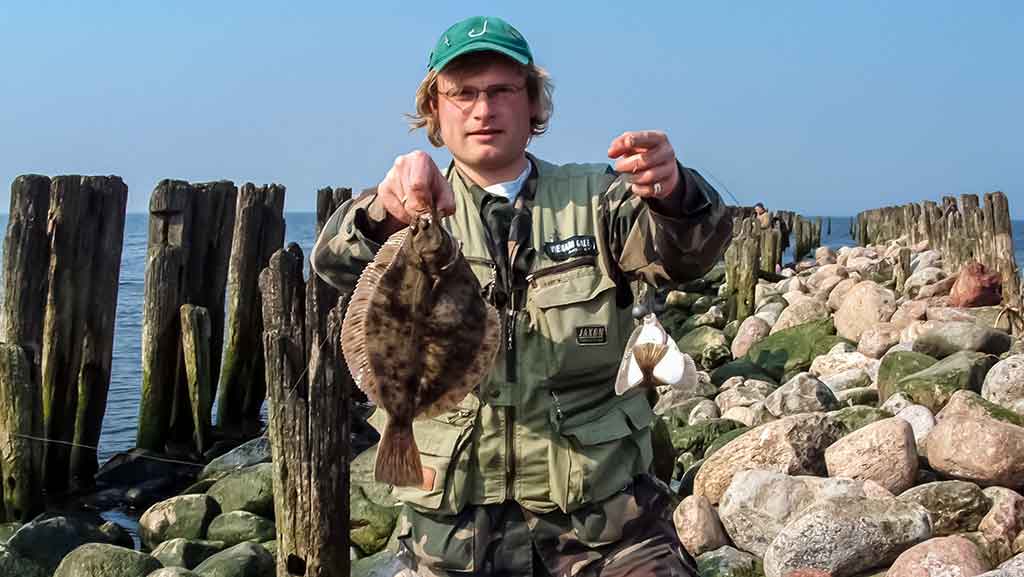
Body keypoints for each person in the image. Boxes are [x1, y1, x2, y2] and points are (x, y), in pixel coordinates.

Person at [312, 16, 732, 577]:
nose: (483, 109)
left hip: (605, 526)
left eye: (502, 90)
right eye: (462, 93)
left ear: (532, 102)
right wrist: (384, 212)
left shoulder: (599, 199)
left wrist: (673, 192)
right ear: (434, 108)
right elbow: (333, 264)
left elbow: (688, 254)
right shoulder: (407, 211)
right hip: (453, 536)